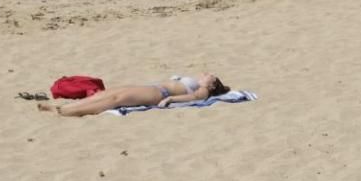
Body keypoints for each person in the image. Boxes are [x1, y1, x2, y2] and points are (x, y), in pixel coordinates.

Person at [37, 73, 229, 117]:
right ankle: (69, 108)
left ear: (212, 85)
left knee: (115, 100)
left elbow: (195, 99)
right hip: (151, 87)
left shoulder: (203, 90)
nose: (205, 75)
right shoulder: (200, 84)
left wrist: (170, 99)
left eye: (209, 77)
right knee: (109, 93)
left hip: (158, 93)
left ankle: (65, 111)